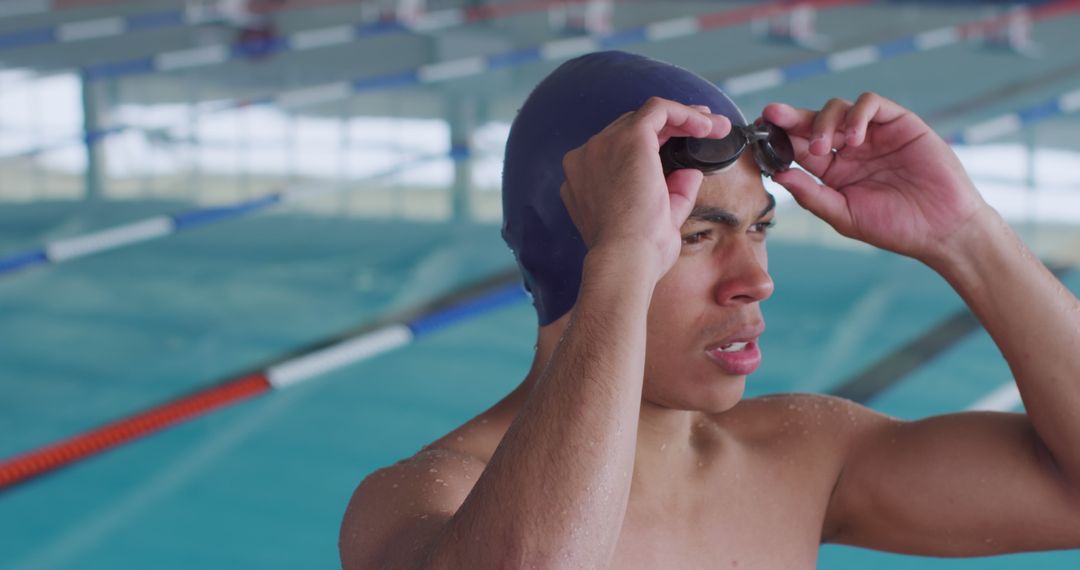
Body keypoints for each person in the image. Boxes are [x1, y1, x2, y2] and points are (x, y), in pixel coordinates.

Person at [339, 50, 1080, 568]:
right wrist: (624, 262)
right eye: (698, 237)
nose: (754, 281)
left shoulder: (799, 458)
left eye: (759, 229)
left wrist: (967, 236)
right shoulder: (429, 498)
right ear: (583, 256)